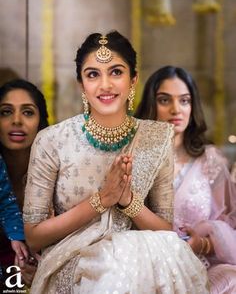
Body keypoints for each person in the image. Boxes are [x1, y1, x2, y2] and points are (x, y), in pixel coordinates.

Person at [23, 31, 208, 294]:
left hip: (142, 263)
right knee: (115, 267)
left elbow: (164, 229)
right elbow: (33, 236)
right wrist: (102, 199)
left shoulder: (156, 138)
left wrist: (127, 201)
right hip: (72, 264)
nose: (105, 85)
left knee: (157, 254)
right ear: (81, 85)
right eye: (93, 74)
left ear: (133, 80)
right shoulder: (52, 141)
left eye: (116, 72)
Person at [135, 65, 236, 293]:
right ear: (151, 105)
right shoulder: (135, 158)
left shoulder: (211, 160)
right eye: (164, 100)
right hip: (146, 265)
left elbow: (230, 224)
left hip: (200, 267)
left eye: (184, 100)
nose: (176, 109)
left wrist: (203, 245)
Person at [0, 79, 49, 289]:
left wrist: (41, 271)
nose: (17, 121)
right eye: (5, 112)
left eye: (28, 112)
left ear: (41, 122)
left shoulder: (56, 174)